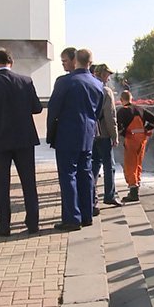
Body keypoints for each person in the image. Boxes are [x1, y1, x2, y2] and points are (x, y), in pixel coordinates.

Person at [0, 48, 43, 236]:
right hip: (24, 139)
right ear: (11, 62)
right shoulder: (25, 81)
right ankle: (33, 223)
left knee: (1, 185)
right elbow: (37, 108)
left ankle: (3, 226)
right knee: (29, 183)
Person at [47, 48, 103, 231]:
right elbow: (98, 111)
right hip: (87, 134)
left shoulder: (64, 82)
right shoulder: (97, 84)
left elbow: (53, 110)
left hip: (67, 134)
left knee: (68, 175)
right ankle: (87, 215)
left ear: (76, 60)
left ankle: (72, 218)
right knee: (85, 174)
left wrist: (51, 134)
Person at [116, 90, 154, 202]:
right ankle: (136, 187)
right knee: (138, 164)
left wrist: (123, 134)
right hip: (142, 140)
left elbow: (119, 127)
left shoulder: (122, 111)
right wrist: (146, 129)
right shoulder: (140, 109)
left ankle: (133, 193)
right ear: (131, 98)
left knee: (130, 166)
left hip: (131, 140)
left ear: (121, 100)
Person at [92, 64, 122, 208]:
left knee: (93, 166)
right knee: (109, 166)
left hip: (90, 133)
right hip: (103, 133)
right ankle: (109, 195)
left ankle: (91, 198)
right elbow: (110, 116)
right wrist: (114, 136)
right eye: (108, 75)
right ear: (103, 75)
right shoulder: (106, 91)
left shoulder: (89, 87)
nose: (109, 77)